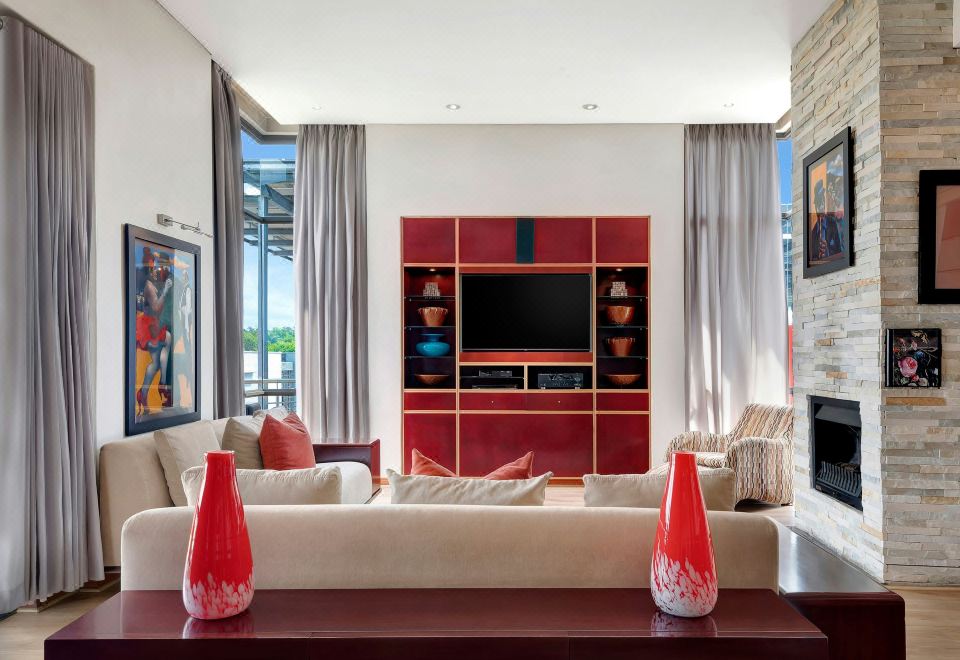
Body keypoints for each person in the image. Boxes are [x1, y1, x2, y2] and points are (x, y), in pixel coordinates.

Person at [135, 251, 174, 414]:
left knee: (157, 361)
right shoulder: (149, 286)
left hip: (151, 323)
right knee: (166, 342)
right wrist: (165, 290)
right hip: (149, 325)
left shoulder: (150, 283)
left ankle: (145, 392)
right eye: (153, 266)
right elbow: (156, 307)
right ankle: (160, 385)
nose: (157, 269)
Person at [809, 179, 844, 262]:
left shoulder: (833, 223)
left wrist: (827, 250)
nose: (820, 207)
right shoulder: (813, 232)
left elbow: (840, 251)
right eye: (818, 203)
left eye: (822, 202)